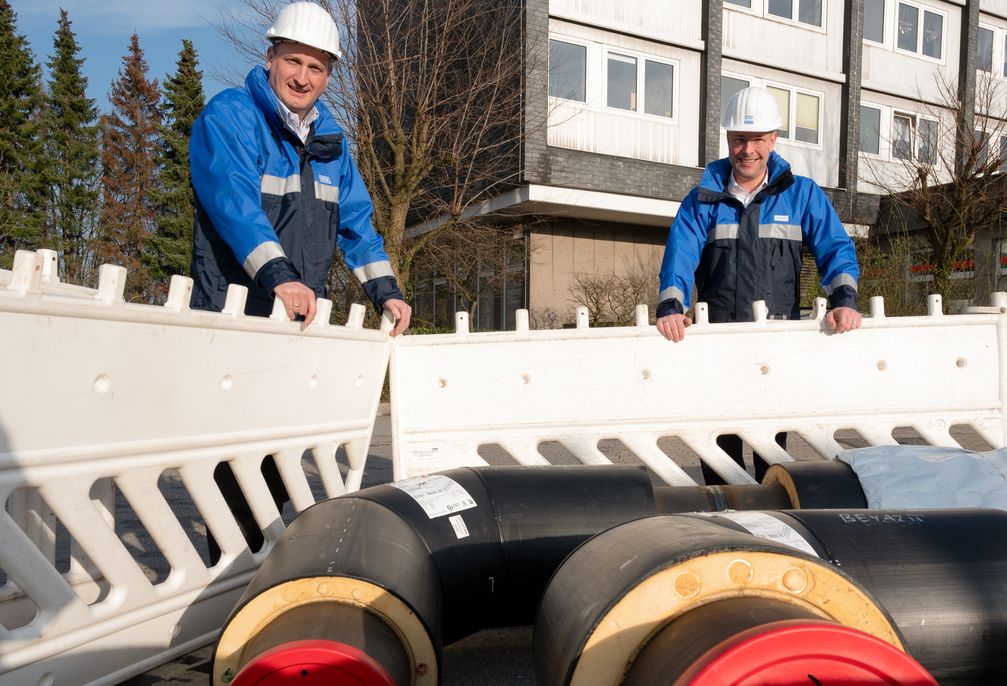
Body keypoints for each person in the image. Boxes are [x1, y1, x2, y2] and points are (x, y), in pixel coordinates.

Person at [188, 2, 411, 561]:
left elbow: (357, 226)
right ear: (271, 57)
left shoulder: (332, 142)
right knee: (236, 462)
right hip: (236, 315)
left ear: (329, 73)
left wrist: (387, 290)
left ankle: (264, 571)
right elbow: (234, 205)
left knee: (284, 459)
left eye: (317, 67)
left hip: (296, 325)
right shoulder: (232, 117)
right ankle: (227, 584)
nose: (303, 77)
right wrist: (280, 277)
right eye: (293, 61)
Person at [655, 86, 861, 484]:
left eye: (757, 140)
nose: (747, 150)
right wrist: (670, 307)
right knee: (720, 453)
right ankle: (726, 526)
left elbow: (835, 249)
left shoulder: (802, 195)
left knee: (773, 454)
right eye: (739, 139)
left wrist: (844, 299)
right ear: (728, 140)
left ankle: (775, 529)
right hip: (718, 343)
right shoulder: (702, 201)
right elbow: (679, 256)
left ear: (773, 140)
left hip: (776, 345)